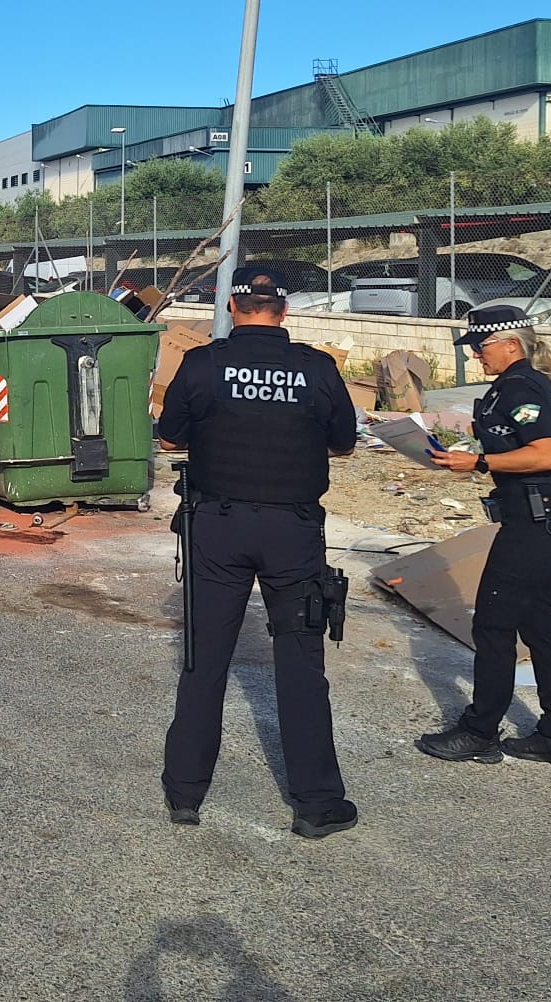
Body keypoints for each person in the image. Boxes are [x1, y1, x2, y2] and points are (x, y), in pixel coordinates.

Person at [157, 267, 360, 839]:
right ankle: (316, 804)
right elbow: (344, 442)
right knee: (300, 664)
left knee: (204, 660)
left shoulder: (202, 364)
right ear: (284, 310)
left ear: (231, 307)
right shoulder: (317, 369)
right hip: (292, 532)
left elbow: (169, 436)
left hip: (217, 528)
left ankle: (185, 793)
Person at [417, 304, 551, 771]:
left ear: (510, 344)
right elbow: (513, 439)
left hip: (537, 527)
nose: (475, 354)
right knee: (541, 629)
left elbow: (544, 456)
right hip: (547, 523)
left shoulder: (523, 386)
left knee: (493, 628)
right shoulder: (517, 385)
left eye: (481, 345)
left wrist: (478, 463)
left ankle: (479, 732)